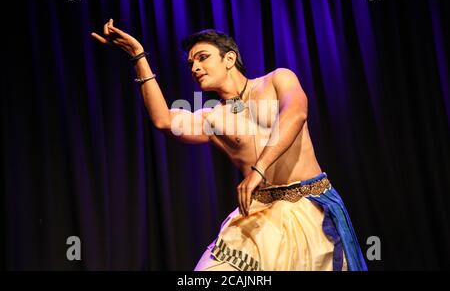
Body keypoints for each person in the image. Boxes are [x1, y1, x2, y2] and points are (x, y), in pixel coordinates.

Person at [91, 19, 368, 271]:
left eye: (202, 58)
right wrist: (139, 56)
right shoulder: (213, 118)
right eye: (190, 64)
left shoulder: (277, 80)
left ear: (229, 58)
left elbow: (296, 115)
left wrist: (259, 169)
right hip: (262, 213)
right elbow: (164, 120)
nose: (195, 67)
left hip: (309, 206)